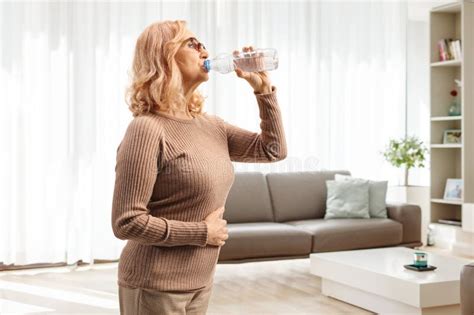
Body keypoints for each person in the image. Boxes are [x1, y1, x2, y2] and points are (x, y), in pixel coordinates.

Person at [111, 20, 287, 315]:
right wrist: (202, 233)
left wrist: (264, 90)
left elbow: (273, 150)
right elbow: (126, 222)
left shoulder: (212, 126)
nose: (203, 49)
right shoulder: (146, 130)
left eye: (202, 43)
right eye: (191, 43)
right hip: (154, 284)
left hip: (201, 282)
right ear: (164, 56)